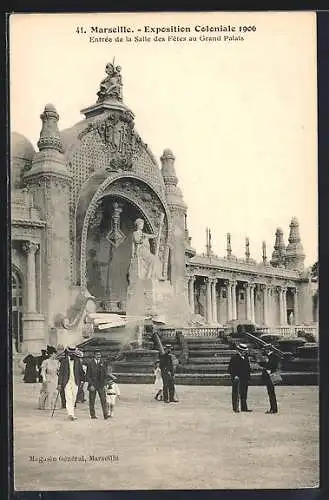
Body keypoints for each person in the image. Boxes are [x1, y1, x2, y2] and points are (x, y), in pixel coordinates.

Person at [57, 347, 84, 421]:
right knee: (68, 397)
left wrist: (82, 381)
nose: (72, 354)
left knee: (74, 397)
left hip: (75, 382)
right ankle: (71, 414)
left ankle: (72, 413)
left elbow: (81, 372)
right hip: (66, 382)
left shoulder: (78, 361)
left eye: (73, 353)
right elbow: (61, 374)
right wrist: (59, 384)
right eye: (71, 353)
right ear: (68, 353)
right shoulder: (63, 361)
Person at [228, 343, 252, 413]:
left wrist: (248, 376)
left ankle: (244, 407)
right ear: (240, 350)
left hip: (244, 378)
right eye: (244, 351)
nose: (245, 352)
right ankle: (236, 408)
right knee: (236, 393)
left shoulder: (246, 357)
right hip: (237, 378)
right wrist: (234, 375)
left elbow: (248, 368)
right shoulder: (234, 357)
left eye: (245, 351)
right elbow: (230, 368)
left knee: (244, 393)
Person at [86, 349, 109, 420]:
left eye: (99, 355)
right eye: (97, 355)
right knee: (92, 400)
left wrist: (105, 385)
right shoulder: (90, 363)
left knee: (103, 400)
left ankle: (105, 414)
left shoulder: (103, 363)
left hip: (101, 385)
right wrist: (91, 384)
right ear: (94, 355)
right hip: (93, 384)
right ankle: (92, 415)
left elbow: (105, 375)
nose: (98, 356)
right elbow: (88, 375)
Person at [259, 344, 280, 414]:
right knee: (270, 393)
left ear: (268, 349)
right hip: (268, 376)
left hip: (270, 376)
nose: (264, 350)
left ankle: (273, 409)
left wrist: (269, 369)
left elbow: (274, 365)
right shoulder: (269, 356)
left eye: (265, 349)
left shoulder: (273, 356)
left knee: (271, 393)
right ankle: (273, 408)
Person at [38, 346, 59, 411]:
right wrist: (44, 378)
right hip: (48, 377)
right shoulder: (46, 361)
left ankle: (54, 405)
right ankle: (47, 405)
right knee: (48, 392)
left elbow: (59, 370)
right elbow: (43, 371)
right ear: (51, 354)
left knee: (55, 391)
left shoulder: (57, 362)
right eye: (54, 353)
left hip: (55, 377)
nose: (55, 355)